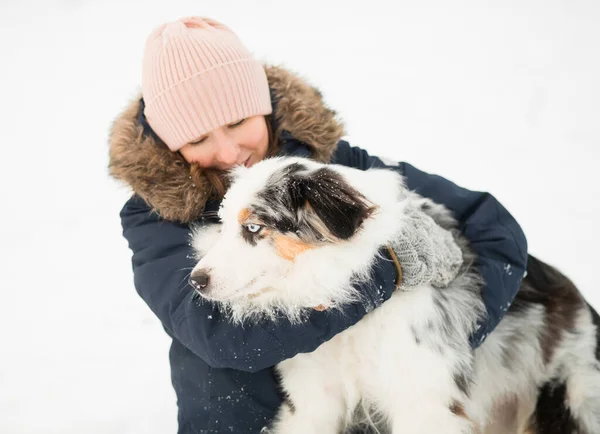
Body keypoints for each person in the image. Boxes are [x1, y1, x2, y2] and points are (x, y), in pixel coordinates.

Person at [109, 17, 528, 434]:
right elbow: (220, 337)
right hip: (241, 418)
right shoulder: (156, 217)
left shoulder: (330, 165)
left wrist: (448, 343)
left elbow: (494, 232)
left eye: (238, 122)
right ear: (172, 144)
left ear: (264, 107)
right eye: (198, 138)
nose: (230, 152)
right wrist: (387, 270)